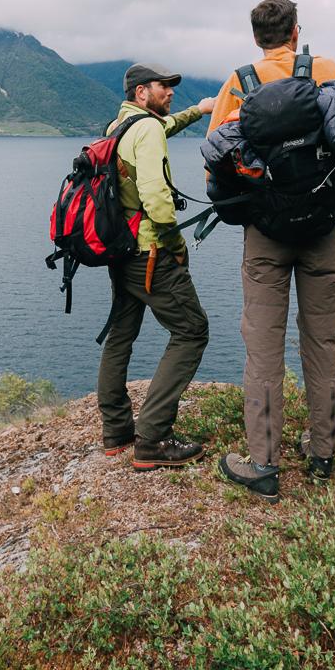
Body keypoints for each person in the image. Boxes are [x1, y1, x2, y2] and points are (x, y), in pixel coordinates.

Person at [212, 0, 335, 503]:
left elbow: (215, 165)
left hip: (265, 233)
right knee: (322, 341)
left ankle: (264, 465)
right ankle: (322, 451)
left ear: (257, 38)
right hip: (322, 228)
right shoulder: (328, 71)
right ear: (296, 31)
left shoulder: (239, 81)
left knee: (263, 346)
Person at [98, 62, 216, 470]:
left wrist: (197, 112)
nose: (170, 92)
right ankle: (153, 438)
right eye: (163, 86)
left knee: (121, 334)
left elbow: (162, 128)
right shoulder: (145, 129)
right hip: (150, 252)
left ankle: (116, 431)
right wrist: (175, 242)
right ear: (141, 92)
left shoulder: (120, 126)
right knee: (191, 330)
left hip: (121, 251)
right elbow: (155, 196)